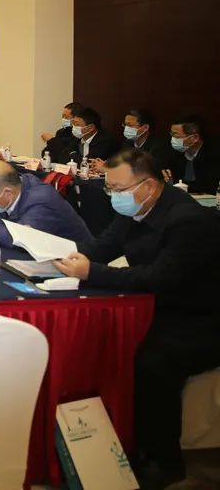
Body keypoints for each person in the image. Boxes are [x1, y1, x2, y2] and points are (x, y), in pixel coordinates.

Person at [54, 150, 220, 489]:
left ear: (150, 186)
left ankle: (164, 461)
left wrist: (92, 272)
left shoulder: (188, 220)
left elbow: (160, 277)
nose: (113, 196)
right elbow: (103, 247)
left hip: (200, 317)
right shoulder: (135, 210)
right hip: (157, 306)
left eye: (119, 189)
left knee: (152, 362)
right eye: (109, 188)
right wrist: (66, 259)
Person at [0, 160, 93, 247]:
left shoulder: (41, 201)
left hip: (75, 265)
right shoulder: (14, 187)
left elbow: (21, 237)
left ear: (7, 193)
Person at [169, 116, 219, 194]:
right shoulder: (174, 154)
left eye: (176, 135)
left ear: (195, 137)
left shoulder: (214, 156)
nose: (172, 139)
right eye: (171, 134)